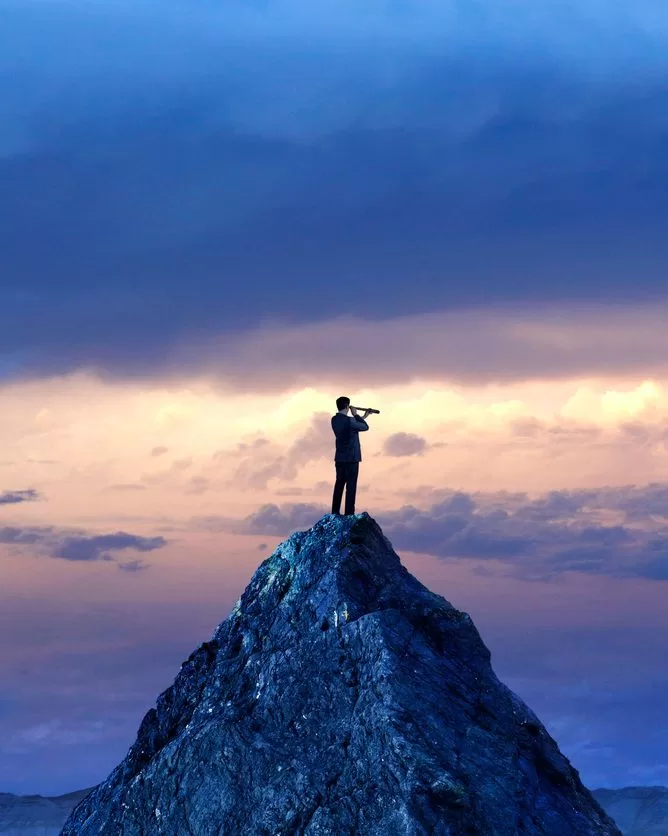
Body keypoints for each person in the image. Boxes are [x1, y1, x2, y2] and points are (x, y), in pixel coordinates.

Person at [331, 396, 371, 515]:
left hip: (340, 458)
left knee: (339, 485)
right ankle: (349, 514)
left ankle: (335, 512)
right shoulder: (351, 420)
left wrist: (363, 417)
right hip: (352, 458)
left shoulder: (334, 419)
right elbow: (365, 427)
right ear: (348, 406)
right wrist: (357, 415)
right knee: (351, 487)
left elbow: (350, 425)